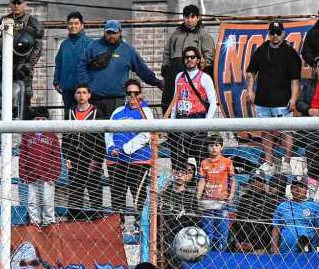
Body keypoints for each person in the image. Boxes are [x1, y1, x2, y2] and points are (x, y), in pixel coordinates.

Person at [76, 20, 163, 118]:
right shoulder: (93, 47)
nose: (111, 35)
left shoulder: (128, 50)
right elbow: (81, 65)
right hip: (95, 98)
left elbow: (142, 69)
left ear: (120, 32)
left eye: (114, 33)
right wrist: (87, 85)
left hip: (117, 99)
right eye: (108, 32)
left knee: (115, 128)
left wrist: (156, 82)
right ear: (104, 32)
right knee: (95, 131)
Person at [245, 19, 302, 168]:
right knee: (266, 132)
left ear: (283, 33)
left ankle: (287, 163)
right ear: (268, 33)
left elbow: (295, 80)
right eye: (272, 33)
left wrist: (294, 98)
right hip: (263, 100)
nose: (275, 35)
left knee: (287, 132)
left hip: (283, 101)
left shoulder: (290, 53)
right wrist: (250, 90)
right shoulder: (262, 49)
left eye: (278, 33)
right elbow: (251, 71)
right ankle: (268, 162)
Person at [105, 79, 157, 218]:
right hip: (116, 161)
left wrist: (125, 149)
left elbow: (146, 135)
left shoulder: (146, 111)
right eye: (129, 93)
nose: (132, 96)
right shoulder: (118, 111)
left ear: (141, 93)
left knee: (138, 197)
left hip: (137, 161)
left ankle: (140, 227)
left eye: (136, 93)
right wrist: (110, 148)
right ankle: (118, 229)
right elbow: (108, 131)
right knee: (117, 197)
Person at [0, 0, 44, 111]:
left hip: (23, 63)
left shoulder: (32, 21)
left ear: (25, 5)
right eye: (14, 3)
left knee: (24, 96)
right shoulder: (3, 20)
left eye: (19, 3)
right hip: (4, 64)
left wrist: (28, 64)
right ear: (10, 4)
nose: (16, 5)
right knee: (0, 93)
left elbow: (38, 46)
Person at [164, 46, 218, 166]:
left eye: (192, 57)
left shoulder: (205, 77)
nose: (189, 59)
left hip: (197, 120)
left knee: (199, 156)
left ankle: (199, 181)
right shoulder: (179, 76)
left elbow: (213, 102)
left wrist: (206, 123)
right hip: (180, 119)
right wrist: (172, 120)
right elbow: (175, 99)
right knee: (178, 155)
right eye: (187, 57)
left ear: (198, 60)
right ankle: (180, 181)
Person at [161, 4, 215, 116]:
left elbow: (209, 55)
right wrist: (166, 68)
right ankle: (170, 130)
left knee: (192, 102)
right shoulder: (176, 34)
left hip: (193, 73)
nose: (189, 20)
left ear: (198, 17)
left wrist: (203, 71)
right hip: (174, 71)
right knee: (168, 101)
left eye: (192, 17)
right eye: (186, 17)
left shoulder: (204, 35)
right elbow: (167, 52)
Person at [63, 83, 105, 220]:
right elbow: (66, 138)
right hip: (75, 158)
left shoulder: (96, 113)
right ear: (75, 95)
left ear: (89, 95)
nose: (81, 96)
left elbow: (100, 140)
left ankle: (97, 220)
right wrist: (67, 157)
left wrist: (97, 159)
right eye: (78, 93)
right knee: (75, 191)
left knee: (94, 191)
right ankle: (75, 221)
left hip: (91, 158)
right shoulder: (69, 113)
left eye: (84, 93)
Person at [158, 163, 199, 269]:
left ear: (188, 177)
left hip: (183, 237)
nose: (180, 175)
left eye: (184, 173)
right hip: (165, 236)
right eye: (177, 172)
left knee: (179, 267)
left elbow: (196, 219)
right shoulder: (165, 194)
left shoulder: (190, 196)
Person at [19, 108, 61, 226]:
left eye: (43, 119)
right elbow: (23, 156)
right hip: (32, 175)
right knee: (32, 201)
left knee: (47, 200)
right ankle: (34, 222)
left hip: (48, 175)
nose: (41, 121)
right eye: (37, 119)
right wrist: (23, 174)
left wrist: (55, 174)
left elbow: (56, 157)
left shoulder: (52, 137)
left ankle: (49, 222)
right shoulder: (27, 137)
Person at [196, 137, 236, 252]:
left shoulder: (227, 162)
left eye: (217, 145)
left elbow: (233, 180)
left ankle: (221, 254)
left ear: (222, 147)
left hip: (222, 202)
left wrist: (231, 195)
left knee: (222, 230)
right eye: (211, 145)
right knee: (208, 231)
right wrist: (198, 197)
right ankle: (208, 254)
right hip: (207, 202)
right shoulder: (204, 163)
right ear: (207, 147)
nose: (214, 148)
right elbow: (202, 180)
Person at [271, 178, 319, 254]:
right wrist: (274, 247)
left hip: (309, 252)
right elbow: (276, 228)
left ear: (306, 189)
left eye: (301, 186)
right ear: (291, 190)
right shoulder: (282, 206)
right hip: (285, 252)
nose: (298, 189)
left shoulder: (315, 206)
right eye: (295, 187)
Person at [233, 174, 286, 253]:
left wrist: (254, 245)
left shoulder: (270, 201)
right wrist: (236, 243)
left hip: (259, 248)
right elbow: (236, 224)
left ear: (264, 184)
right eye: (253, 181)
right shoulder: (243, 199)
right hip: (240, 246)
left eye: (259, 181)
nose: (255, 183)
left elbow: (269, 228)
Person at [54, 11, 93, 112]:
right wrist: (56, 81)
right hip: (67, 89)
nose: (73, 26)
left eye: (76, 23)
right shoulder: (64, 44)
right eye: (70, 23)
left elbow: (94, 65)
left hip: (83, 90)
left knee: (84, 118)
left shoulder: (89, 43)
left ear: (82, 25)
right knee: (68, 117)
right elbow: (58, 63)